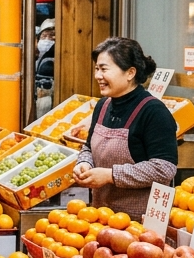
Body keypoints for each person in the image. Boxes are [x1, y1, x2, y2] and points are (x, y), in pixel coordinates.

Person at [72, 37, 178, 215]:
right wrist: (84, 163)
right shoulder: (103, 105)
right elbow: (88, 147)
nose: (98, 75)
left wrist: (110, 176)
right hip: (101, 216)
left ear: (130, 73)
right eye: (97, 69)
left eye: (104, 69)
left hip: (140, 223)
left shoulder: (153, 111)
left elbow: (164, 168)